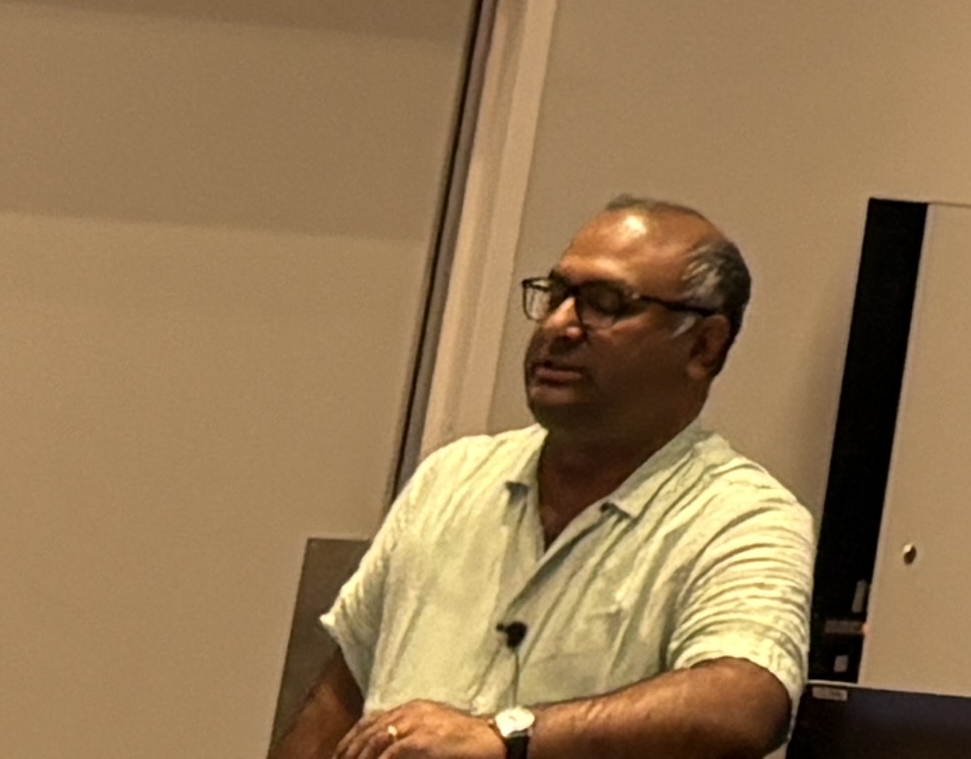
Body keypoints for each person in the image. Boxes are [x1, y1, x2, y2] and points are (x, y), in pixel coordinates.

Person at [275, 199, 812, 759]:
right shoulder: (452, 476)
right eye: (556, 296)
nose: (558, 325)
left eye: (605, 304)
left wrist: (503, 736)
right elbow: (341, 698)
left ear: (703, 346)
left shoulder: (740, 518)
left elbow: (742, 705)